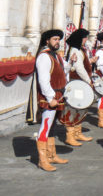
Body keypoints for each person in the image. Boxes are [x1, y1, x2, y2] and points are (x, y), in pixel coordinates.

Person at [26, 29, 69, 171]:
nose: (58, 42)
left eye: (59, 39)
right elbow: (43, 80)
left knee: (52, 127)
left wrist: (71, 63)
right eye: (55, 39)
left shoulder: (55, 56)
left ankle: (51, 155)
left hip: (58, 96)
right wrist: (50, 97)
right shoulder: (44, 57)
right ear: (47, 41)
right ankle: (42, 160)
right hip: (49, 98)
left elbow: (61, 71)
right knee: (45, 127)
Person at [64, 28, 94, 145]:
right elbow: (79, 68)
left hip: (80, 83)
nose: (86, 40)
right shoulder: (75, 51)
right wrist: (88, 80)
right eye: (85, 37)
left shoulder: (79, 50)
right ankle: (70, 135)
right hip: (77, 82)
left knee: (80, 107)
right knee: (74, 108)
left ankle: (77, 132)